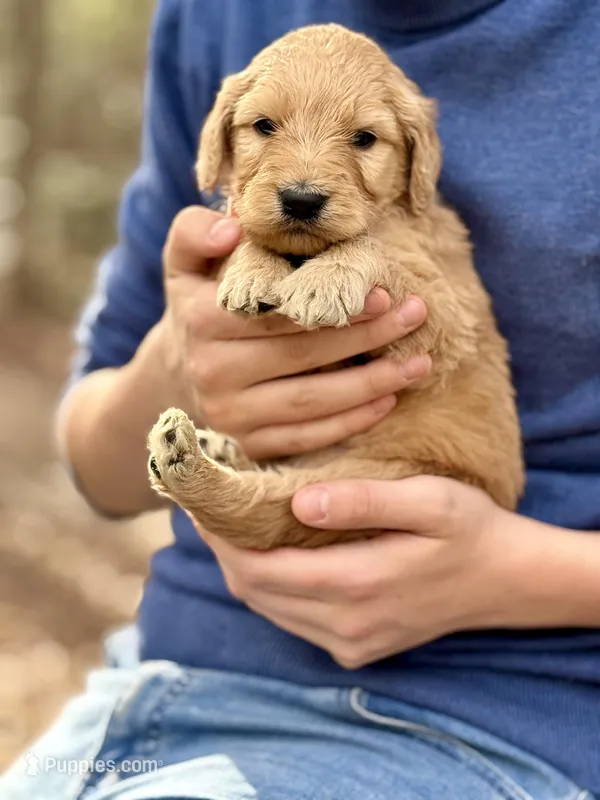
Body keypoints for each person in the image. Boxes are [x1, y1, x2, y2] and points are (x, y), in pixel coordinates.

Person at [3, 0, 600, 798]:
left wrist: (528, 575)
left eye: (363, 141)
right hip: (159, 683)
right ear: (224, 137)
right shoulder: (211, 15)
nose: (307, 179)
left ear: (419, 158)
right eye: (266, 130)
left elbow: (439, 321)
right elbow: (95, 461)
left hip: (486, 714)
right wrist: (175, 374)